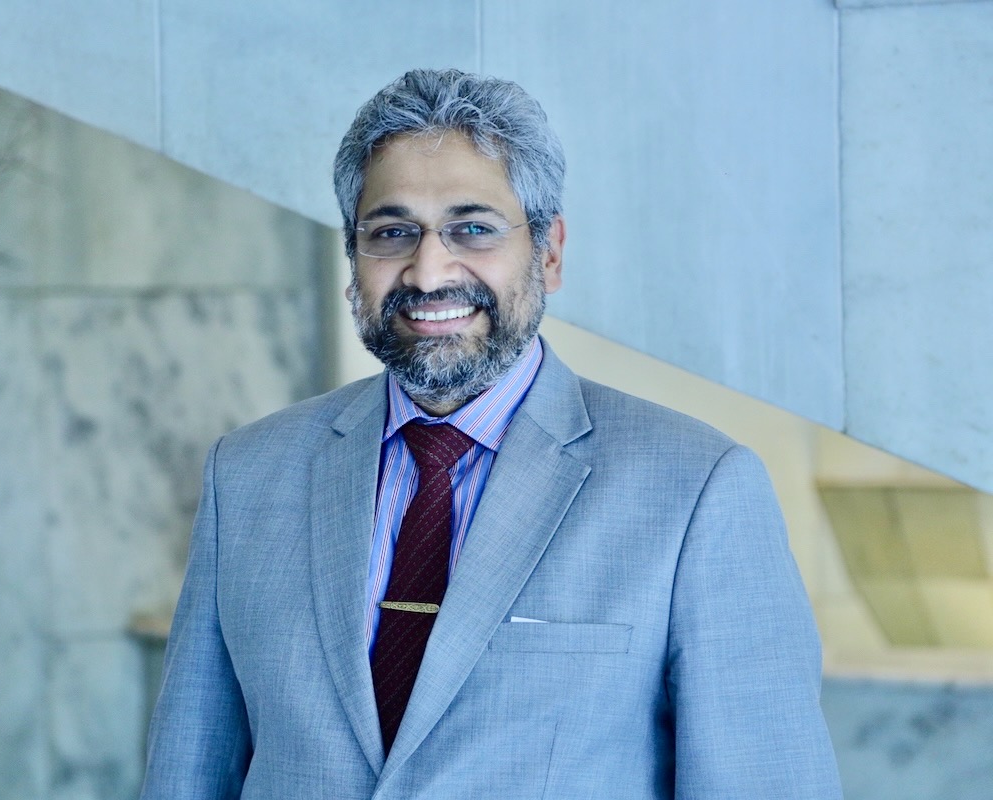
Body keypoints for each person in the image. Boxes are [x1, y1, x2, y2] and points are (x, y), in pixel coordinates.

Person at [140, 68, 842, 799]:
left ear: (549, 252)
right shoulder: (246, 474)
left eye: (472, 228)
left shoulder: (698, 489)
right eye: (391, 232)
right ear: (354, 262)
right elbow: (186, 776)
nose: (427, 271)